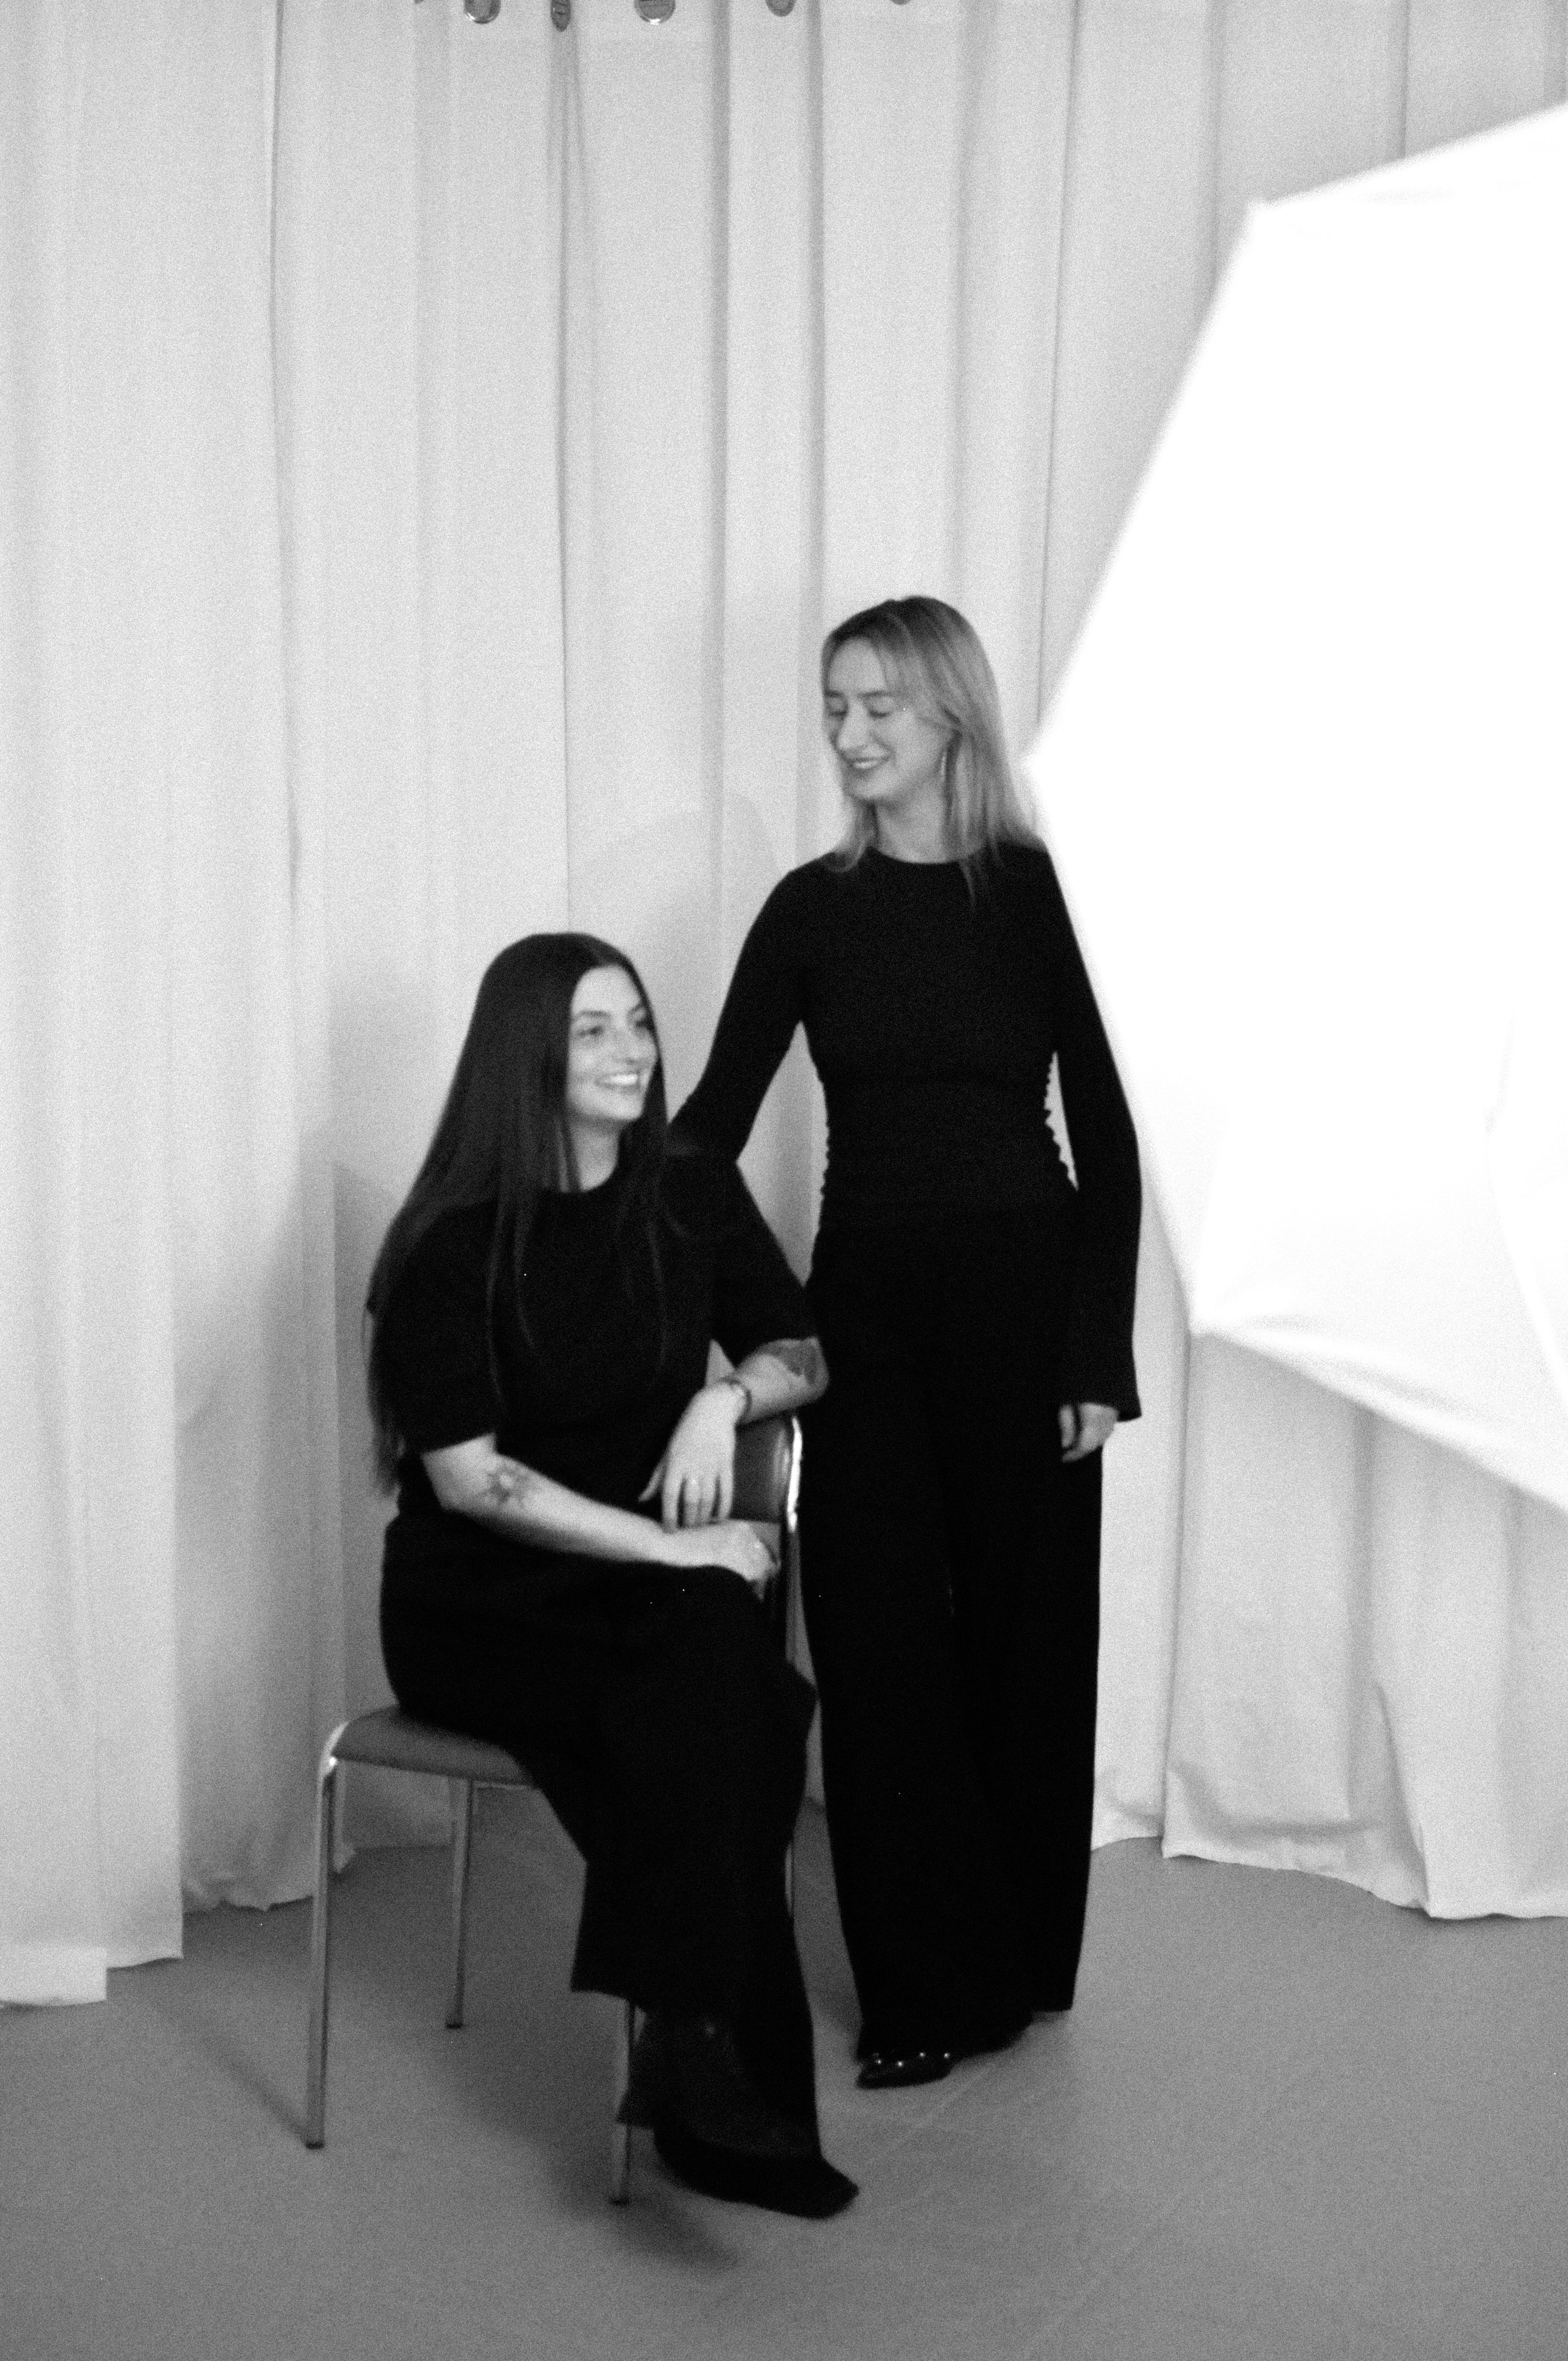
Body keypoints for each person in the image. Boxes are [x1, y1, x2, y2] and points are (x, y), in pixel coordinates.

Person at [674, 596, 1141, 2091]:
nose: (851, 734)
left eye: (879, 705)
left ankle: (1021, 1953)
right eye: (835, 707)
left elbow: (1110, 1141)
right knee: (879, 1648)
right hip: (864, 1312)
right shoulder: (810, 910)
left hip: (1026, 1304)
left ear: (951, 714)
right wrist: (745, 1318)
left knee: (1024, 1638)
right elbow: (705, 1139)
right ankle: (924, 1993)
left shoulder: (1039, 896)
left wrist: (1096, 1356)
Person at [366, 932, 856, 2218]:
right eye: (593, 1029)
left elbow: (803, 1347)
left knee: (711, 1676)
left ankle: (692, 2046)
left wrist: (721, 1401)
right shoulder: (444, 1245)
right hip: (475, 1599)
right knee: (722, 1695)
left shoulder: (688, 1193)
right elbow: (477, 1483)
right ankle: (716, 2081)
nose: (632, 1049)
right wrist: (674, 1545)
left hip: (625, 1587)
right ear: (524, 1054)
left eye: (637, 1021)